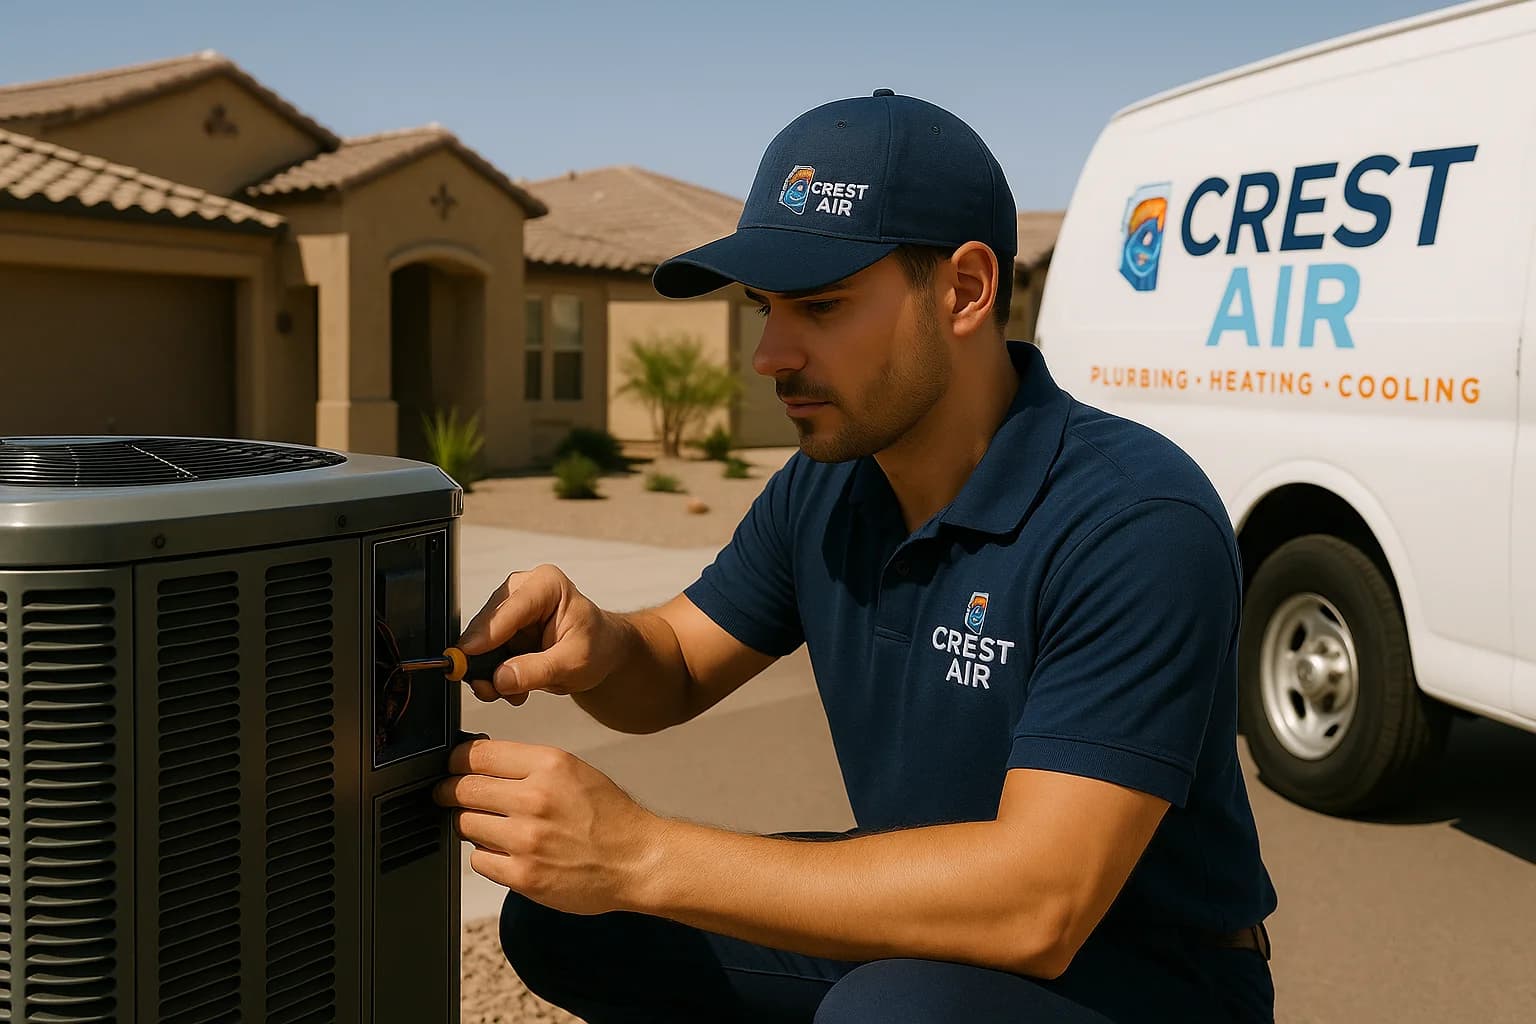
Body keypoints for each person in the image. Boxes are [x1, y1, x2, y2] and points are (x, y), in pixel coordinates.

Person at [434, 90, 1278, 1023]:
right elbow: (673, 667)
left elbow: (1044, 904)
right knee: (568, 922)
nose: (768, 354)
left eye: (820, 306)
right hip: (929, 931)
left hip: (1145, 973)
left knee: (887, 1012)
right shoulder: (830, 485)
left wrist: (638, 852)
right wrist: (599, 640)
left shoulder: (1132, 518)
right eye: (764, 307)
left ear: (965, 290)